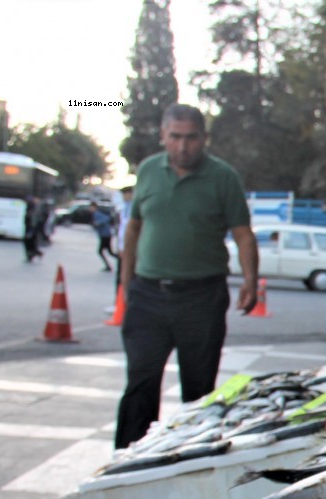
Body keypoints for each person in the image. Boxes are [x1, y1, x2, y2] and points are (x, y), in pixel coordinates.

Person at [115, 103, 259, 450]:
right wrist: (126, 281)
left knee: (198, 388)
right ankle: (129, 459)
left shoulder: (223, 177)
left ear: (203, 139)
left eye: (191, 138)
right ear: (163, 136)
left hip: (201, 296)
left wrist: (250, 281)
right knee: (140, 382)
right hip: (148, 295)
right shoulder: (148, 171)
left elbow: (243, 234)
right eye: (175, 137)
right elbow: (134, 228)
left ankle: (189, 457)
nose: (183, 146)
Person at [91, 202, 118, 271]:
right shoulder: (95, 214)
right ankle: (111, 265)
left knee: (101, 251)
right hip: (104, 235)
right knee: (109, 252)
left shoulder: (97, 213)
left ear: (94, 207)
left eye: (91, 207)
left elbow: (106, 219)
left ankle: (118, 261)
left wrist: (98, 223)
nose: (90, 209)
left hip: (105, 235)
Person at [21, 196, 43, 262]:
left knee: (29, 241)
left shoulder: (33, 208)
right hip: (31, 228)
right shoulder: (32, 207)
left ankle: (33, 254)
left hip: (31, 228)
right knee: (30, 242)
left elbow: (32, 219)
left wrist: (32, 228)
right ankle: (33, 253)